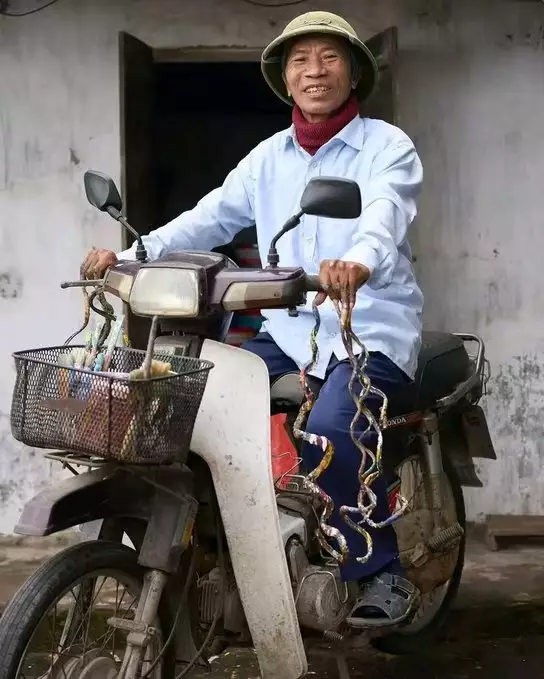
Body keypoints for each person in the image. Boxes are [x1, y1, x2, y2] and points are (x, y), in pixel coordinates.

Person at [82, 11, 424, 627]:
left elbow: (385, 211)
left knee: (333, 429)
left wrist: (358, 260)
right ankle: (223, 551)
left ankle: (381, 571)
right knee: (182, 405)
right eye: (300, 61)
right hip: (289, 332)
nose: (315, 71)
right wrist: (128, 256)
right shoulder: (267, 159)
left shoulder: (387, 146)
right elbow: (209, 218)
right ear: (285, 79)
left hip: (367, 330)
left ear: (353, 73)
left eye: (329, 58)